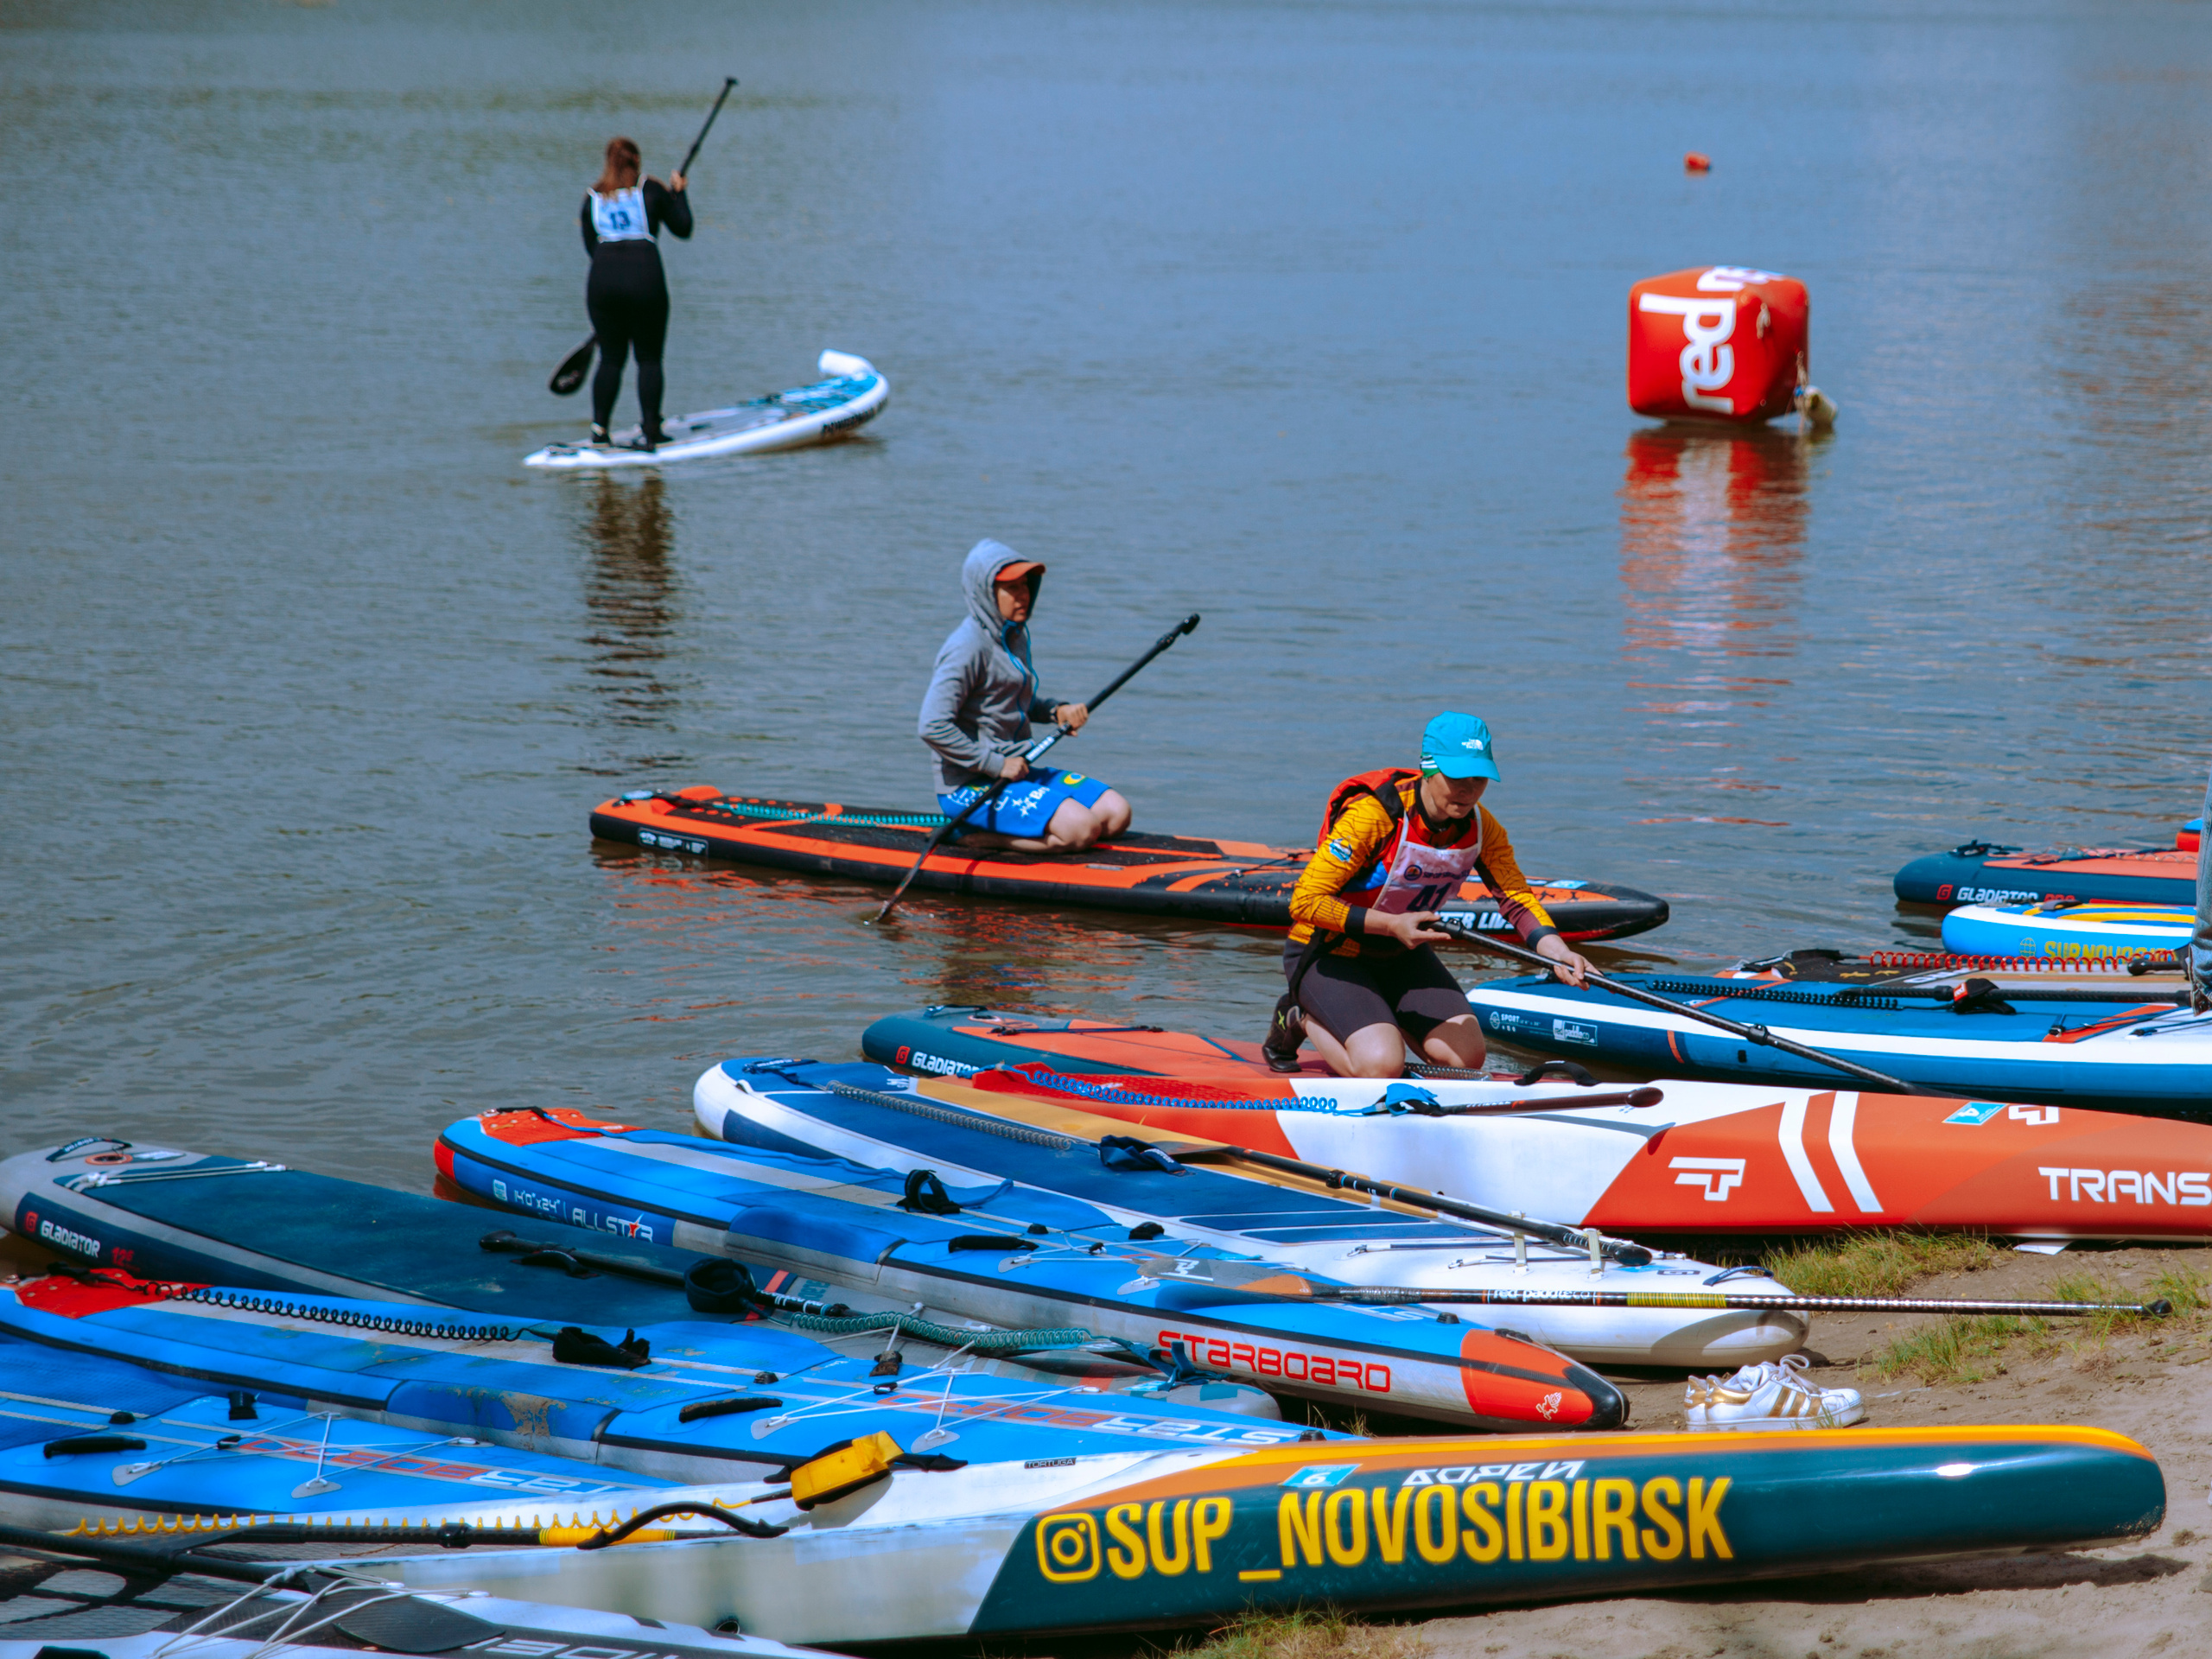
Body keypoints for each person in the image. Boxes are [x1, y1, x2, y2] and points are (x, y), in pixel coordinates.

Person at [1280, 712, 1592, 1078]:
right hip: (1330, 951)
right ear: (1428, 769)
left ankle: (1375, 1019)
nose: (1469, 790)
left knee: (1465, 1059)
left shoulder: (1481, 827)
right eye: (1457, 777)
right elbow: (1304, 901)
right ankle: (1298, 1017)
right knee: (1382, 1066)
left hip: (1400, 954)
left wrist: (1556, 950)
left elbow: (1515, 895)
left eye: (1479, 778)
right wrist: (1391, 924)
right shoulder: (1374, 815)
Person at [918, 539, 1133, 853]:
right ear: (987, 593)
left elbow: (1007, 702)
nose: (1023, 596)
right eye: (1011, 588)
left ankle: (1046, 827)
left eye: (1025, 586)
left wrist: (1055, 711)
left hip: (1020, 772)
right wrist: (994, 764)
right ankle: (969, 835)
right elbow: (932, 725)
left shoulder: (1014, 635)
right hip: (969, 785)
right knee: (1081, 830)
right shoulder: (966, 648)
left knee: (1116, 814)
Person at [580, 137, 693, 450]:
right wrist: (679, 195)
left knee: (611, 358)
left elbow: (591, 246)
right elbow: (683, 228)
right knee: (649, 358)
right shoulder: (651, 189)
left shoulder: (592, 197)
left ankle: (599, 431)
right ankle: (651, 430)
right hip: (645, 280)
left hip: (602, 283)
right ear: (637, 161)